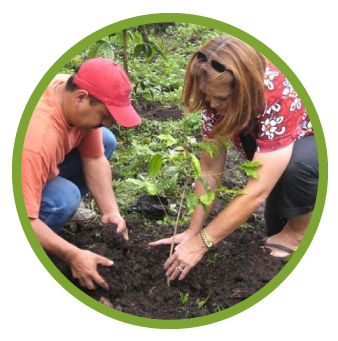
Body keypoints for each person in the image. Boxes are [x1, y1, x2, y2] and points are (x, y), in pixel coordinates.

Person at [149, 35, 318, 281]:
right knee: (275, 225)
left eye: (222, 99)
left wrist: (202, 243)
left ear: (246, 89)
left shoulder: (278, 92)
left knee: (299, 166)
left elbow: (257, 190)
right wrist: (193, 230)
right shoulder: (213, 100)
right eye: (208, 95)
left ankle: (299, 233)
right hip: (279, 144)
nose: (212, 104)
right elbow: (209, 171)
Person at [22, 58, 141, 290]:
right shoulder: (36, 140)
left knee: (104, 139)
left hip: (32, 163)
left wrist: (111, 213)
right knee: (64, 199)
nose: (108, 122)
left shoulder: (69, 90)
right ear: (81, 98)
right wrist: (73, 255)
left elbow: (95, 157)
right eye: (105, 115)